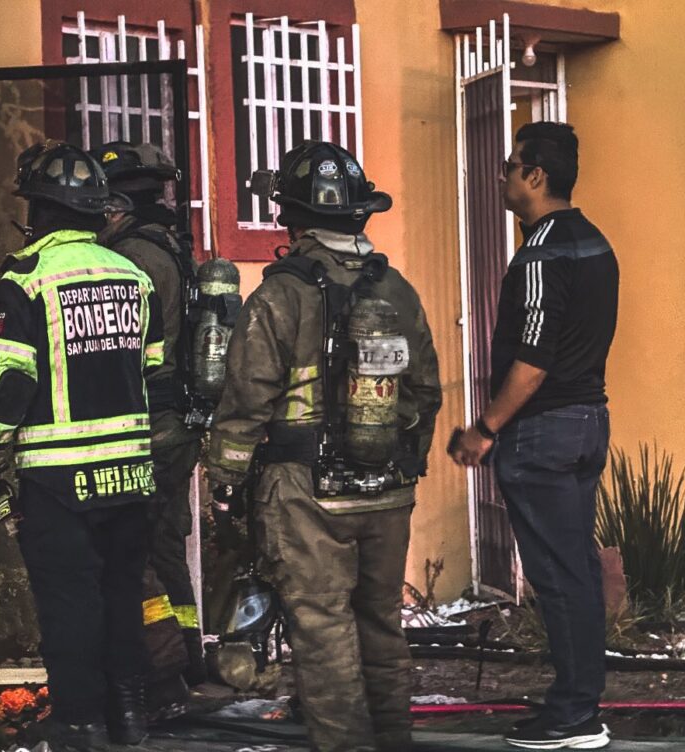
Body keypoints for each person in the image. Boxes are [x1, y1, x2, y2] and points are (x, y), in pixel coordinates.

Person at [205, 140, 442, 752]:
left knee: (322, 627)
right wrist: (402, 464)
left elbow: (246, 400)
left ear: (292, 217)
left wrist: (225, 482)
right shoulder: (397, 290)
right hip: (387, 490)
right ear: (361, 213)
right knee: (381, 623)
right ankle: (393, 740)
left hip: (306, 493)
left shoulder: (279, 294)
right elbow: (425, 391)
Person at [0, 141, 165, 751]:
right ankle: (128, 716)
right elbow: (150, 364)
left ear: (43, 212)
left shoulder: (25, 278)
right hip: (131, 472)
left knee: (69, 602)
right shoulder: (134, 276)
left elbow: (13, 378)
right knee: (122, 594)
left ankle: (80, 723)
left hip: (59, 478)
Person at [450, 121, 618, 750]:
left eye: (508, 165)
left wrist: (483, 430)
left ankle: (574, 716)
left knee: (557, 574)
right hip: (587, 423)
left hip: (544, 433)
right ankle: (581, 708)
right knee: (575, 570)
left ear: (536, 175)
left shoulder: (544, 252)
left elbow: (534, 359)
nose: (501, 175)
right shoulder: (595, 243)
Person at [92, 141, 208, 692]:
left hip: (150, 425)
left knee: (136, 556)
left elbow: (124, 353)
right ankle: (189, 658)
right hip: (179, 424)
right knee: (167, 548)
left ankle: (162, 679)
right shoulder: (172, 248)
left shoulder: (131, 260)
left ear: (117, 206)